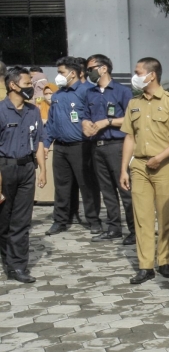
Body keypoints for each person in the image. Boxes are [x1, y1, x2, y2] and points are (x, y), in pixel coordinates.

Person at [119, 58, 169, 284]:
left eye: (138, 72)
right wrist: (123, 169)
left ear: (151, 75)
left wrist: (160, 158)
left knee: (165, 216)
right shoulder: (134, 103)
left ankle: (164, 260)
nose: (135, 76)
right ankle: (145, 266)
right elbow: (129, 136)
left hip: (164, 165)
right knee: (142, 218)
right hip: (140, 167)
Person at [44, 56, 102, 236]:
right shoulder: (57, 96)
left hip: (82, 146)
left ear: (74, 73)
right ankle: (60, 220)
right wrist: (46, 144)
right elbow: (52, 122)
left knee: (87, 185)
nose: (58, 76)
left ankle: (93, 220)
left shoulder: (89, 91)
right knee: (62, 186)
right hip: (60, 147)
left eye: (61, 72)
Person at [0, 66, 47, 283]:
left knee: (21, 220)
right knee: (4, 219)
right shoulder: (1, 111)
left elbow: (38, 140)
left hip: (27, 168)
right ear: (13, 85)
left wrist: (42, 170)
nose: (31, 87)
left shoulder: (33, 111)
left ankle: (18, 266)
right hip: (4, 169)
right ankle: (7, 259)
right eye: (28, 84)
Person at [82, 54, 135, 245]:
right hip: (97, 146)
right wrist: (86, 123)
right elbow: (85, 115)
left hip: (117, 146)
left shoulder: (122, 91)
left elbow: (131, 118)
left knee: (125, 189)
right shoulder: (90, 93)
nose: (89, 73)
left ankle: (134, 230)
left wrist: (108, 122)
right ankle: (114, 228)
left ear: (103, 68)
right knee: (107, 190)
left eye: (91, 68)